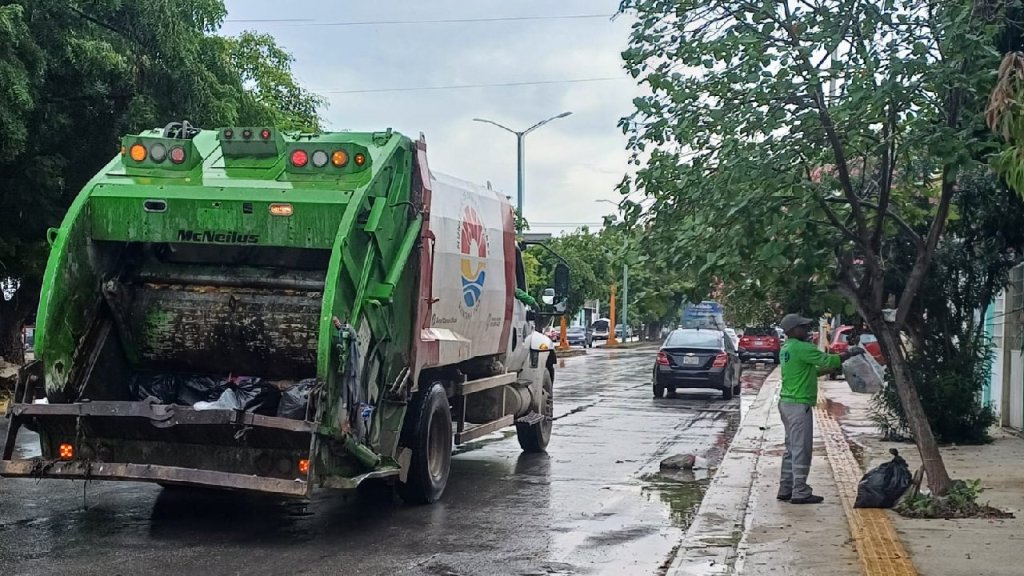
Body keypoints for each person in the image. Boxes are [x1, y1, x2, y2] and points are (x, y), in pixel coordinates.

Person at [776, 313, 864, 504]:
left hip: (786, 403)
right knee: (801, 449)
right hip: (799, 405)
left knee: (791, 448)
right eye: (802, 327)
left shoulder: (787, 348)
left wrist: (828, 369)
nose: (806, 330)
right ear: (792, 330)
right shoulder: (802, 348)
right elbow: (830, 360)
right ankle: (800, 491)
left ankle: (786, 488)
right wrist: (849, 353)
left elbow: (811, 371)